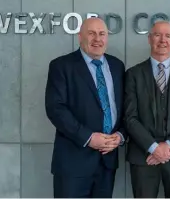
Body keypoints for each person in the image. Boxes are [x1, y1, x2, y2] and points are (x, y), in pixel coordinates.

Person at [45, 17, 127, 198]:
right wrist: (88, 137)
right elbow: (56, 109)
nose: (97, 39)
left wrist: (120, 135)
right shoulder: (61, 66)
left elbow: (125, 108)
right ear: (80, 36)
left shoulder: (117, 66)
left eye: (102, 34)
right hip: (73, 162)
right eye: (91, 33)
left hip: (107, 162)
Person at [124, 20, 170, 198]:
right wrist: (153, 147)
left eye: (168, 36)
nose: (162, 40)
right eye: (157, 35)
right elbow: (129, 117)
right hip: (143, 156)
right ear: (149, 39)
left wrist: (168, 146)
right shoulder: (133, 74)